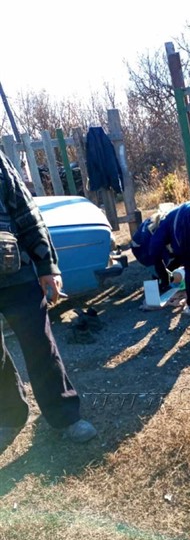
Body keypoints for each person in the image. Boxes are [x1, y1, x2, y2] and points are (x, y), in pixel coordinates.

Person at [0, 151, 97, 453]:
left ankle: (64, 415)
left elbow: (26, 212)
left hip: (15, 273)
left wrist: (46, 266)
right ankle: (9, 416)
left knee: (40, 346)